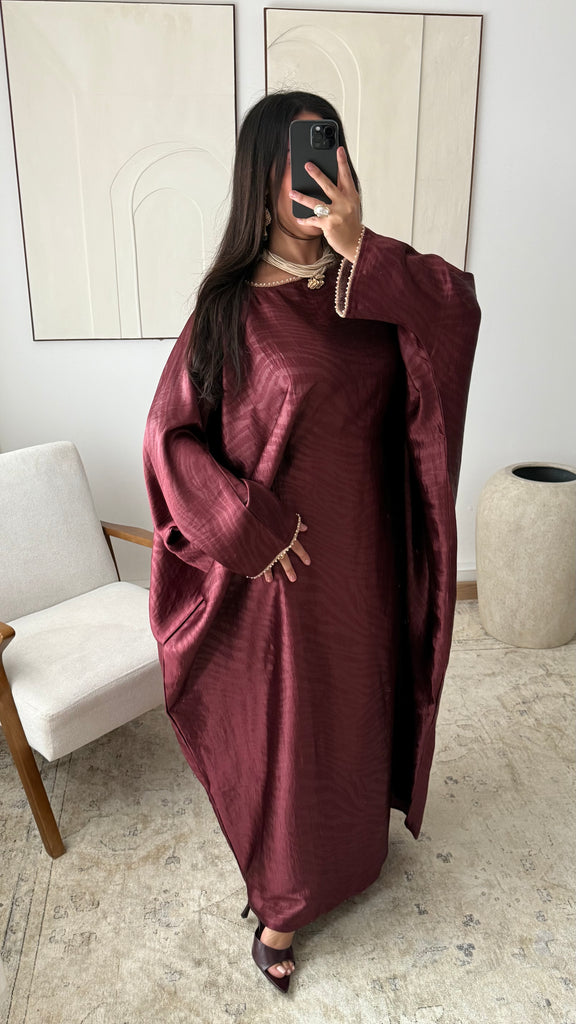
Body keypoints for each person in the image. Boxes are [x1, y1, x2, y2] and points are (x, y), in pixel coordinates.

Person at [142, 90, 481, 994]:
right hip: (283, 575)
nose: (312, 180)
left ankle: (354, 850)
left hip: (371, 553)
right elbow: (170, 438)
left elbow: (457, 312)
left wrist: (362, 248)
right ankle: (285, 901)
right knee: (298, 733)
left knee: (361, 709)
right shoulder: (226, 310)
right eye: (293, 164)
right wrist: (244, 525)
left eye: (326, 158)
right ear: (262, 181)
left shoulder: (373, 285)